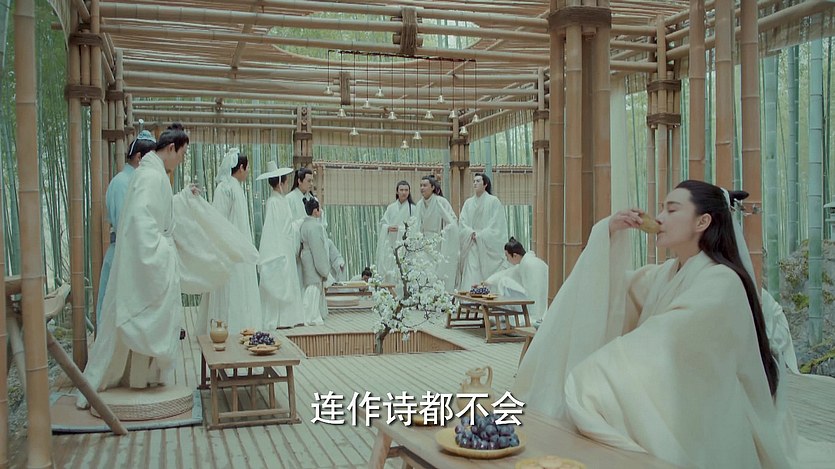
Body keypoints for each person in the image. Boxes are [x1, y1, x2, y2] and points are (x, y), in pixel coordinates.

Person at [514, 179, 835, 468]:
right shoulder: (668, 273)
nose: (660, 217)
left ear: (702, 221)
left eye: (672, 209)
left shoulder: (722, 282)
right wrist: (608, 234)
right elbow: (609, 294)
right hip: (686, 405)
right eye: (661, 209)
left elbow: (663, 340)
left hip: (711, 416)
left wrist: (593, 377)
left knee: (591, 390)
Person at [77, 123, 258, 408]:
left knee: (148, 323)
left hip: (150, 256)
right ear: (171, 148)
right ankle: (136, 379)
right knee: (144, 321)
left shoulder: (152, 173)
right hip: (146, 258)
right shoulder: (151, 176)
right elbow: (141, 222)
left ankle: (141, 379)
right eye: (182, 154)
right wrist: (163, 250)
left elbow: (159, 210)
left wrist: (184, 198)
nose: (182, 160)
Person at [198, 148, 262, 337]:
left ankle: (241, 325)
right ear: (240, 167)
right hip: (228, 249)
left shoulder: (235, 188)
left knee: (239, 286)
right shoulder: (225, 189)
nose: (248, 171)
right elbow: (218, 220)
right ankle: (227, 325)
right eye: (247, 168)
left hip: (238, 247)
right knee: (230, 286)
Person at [96, 130, 156, 327]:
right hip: (124, 252)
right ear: (139, 158)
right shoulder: (122, 182)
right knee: (117, 314)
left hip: (133, 253)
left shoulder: (136, 181)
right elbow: (126, 224)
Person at [256, 161, 305, 330]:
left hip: (286, 245)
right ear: (280, 183)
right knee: (281, 279)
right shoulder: (273, 202)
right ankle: (279, 319)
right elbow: (273, 228)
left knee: (289, 280)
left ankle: (289, 318)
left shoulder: (280, 200)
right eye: (285, 181)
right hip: (279, 246)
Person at [458, 173, 508, 288]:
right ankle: (469, 296)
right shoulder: (468, 203)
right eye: (474, 181)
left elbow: (497, 224)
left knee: (486, 276)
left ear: (485, 184)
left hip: (486, 243)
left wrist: (481, 235)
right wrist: (470, 232)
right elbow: (462, 222)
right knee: (471, 272)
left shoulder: (494, 201)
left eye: (478, 181)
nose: (475, 183)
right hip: (471, 242)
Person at [483, 237, 549, 324]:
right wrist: (487, 281)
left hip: (535, 309)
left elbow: (506, 276)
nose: (507, 259)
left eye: (507, 256)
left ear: (515, 255)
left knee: (504, 282)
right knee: (504, 280)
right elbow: (508, 273)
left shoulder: (528, 264)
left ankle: (520, 319)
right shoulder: (527, 262)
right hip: (544, 305)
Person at [414, 175, 459, 291]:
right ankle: (425, 296)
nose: (422, 188)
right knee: (424, 271)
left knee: (438, 271)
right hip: (423, 243)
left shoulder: (441, 202)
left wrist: (445, 232)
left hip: (438, 242)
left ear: (432, 187)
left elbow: (453, 221)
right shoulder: (419, 205)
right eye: (421, 185)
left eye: (425, 185)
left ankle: (439, 296)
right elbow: (415, 225)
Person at [375, 180, 415, 286]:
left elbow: (415, 227)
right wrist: (387, 227)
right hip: (391, 243)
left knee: (403, 271)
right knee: (390, 270)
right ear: (397, 191)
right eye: (401, 190)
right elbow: (383, 223)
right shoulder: (391, 208)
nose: (404, 192)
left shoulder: (413, 209)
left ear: (409, 192)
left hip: (404, 245)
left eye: (406, 190)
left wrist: (401, 229)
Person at [299, 198, 330, 326]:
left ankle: (310, 315)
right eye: (319, 209)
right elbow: (317, 248)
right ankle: (310, 316)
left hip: (306, 255)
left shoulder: (304, 224)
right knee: (314, 287)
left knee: (310, 287)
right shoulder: (315, 226)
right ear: (315, 211)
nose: (320, 211)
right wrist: (324, 269)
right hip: (312, 256)